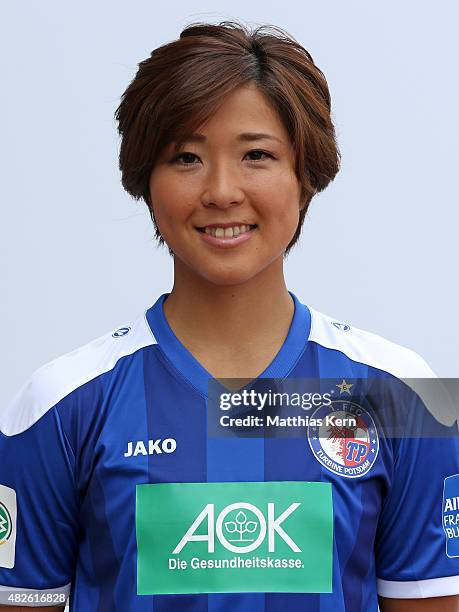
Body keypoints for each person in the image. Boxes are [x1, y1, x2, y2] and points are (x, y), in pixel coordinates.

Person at [0, 19, 458, 612]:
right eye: (186, 157)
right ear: (146, 180)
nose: (221, 190)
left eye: (257, 155)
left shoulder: (407, 397)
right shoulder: (60, 403)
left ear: (307, 176)